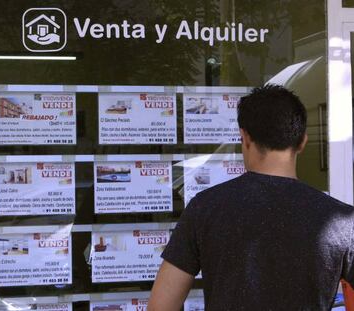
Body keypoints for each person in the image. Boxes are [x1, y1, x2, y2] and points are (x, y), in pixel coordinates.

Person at [148, 84, 354, 311]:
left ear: (244, 138)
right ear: (302, 141)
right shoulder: (342, 221)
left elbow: (161, 306)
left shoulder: (205, 208)